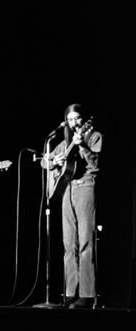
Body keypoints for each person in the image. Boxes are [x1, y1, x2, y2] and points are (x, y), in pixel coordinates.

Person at [41, 103, 103, 309]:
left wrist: (82, 145)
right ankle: (69, 293)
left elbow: (94, 162)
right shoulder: (63, 141)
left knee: (85, 242)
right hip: (66, 189)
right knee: (69, 244)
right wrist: (54, 160)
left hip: (85, 186)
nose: (74, 122)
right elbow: (44, 161)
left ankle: (86, 294)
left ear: (83, 120)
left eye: (77, 118)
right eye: (70, 119)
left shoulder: (93, 136)